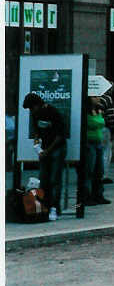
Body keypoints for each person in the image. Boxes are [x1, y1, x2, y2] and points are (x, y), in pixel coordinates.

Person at [22, 92, 66, 221]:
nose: (31, 111)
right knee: (44, 179)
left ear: (38, 104)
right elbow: (36, 130)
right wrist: (37, 142)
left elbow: (60, 136)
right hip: (45, 148)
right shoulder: (35, 114)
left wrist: (47, 151)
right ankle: (44, 207)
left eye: (32, 108)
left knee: (55, 180)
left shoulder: (53, 112)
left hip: (57, 147)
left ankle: (55, 208)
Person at [82, 98, 110, 205]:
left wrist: (98, 121)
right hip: (89, 143)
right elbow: (92, 123)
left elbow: (102, 122)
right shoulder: (85, 111)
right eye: (94, 97)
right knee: (90, 170)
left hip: (98, 142)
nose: (97, 99)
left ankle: (98, 194)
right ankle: (87, 195)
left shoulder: (99, 109)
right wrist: (98, 122)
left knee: (99, 170)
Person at [97, 91, 114, 184]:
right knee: (106, 153)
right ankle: (103, 175)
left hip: (94, 129)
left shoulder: (88, 97)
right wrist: (112, 130)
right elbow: (111, 116)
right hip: (104, 128)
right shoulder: (107, 99)